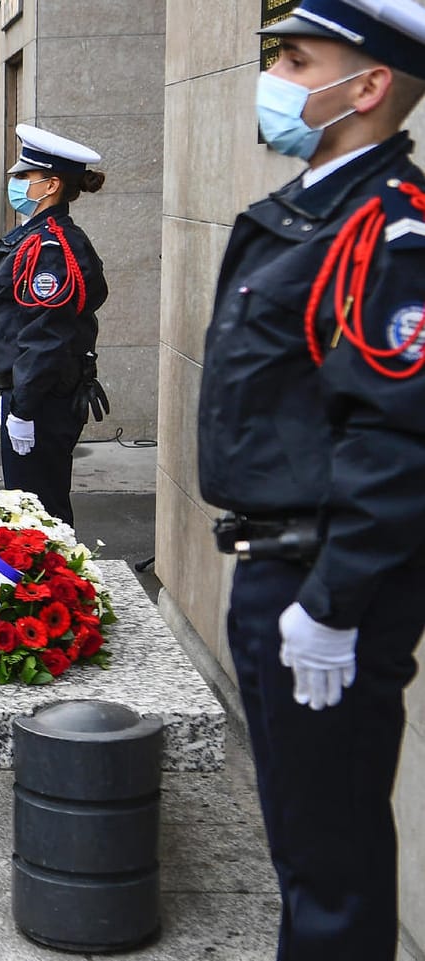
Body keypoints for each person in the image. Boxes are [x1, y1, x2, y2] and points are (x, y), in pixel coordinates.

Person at [198, 2, 425, 956]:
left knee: (330, 862)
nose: (277, 77)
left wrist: (331, 604)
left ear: (367, 86)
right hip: (280, 572)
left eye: (297, 59)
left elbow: (400, 437)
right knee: (304, 840)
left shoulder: (390, 230)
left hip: (327, 580)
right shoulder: (312, 208)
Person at [0, 124, 107, 526]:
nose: (15, 183)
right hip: (29, 393)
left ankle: (58, 590)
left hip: (42, 400)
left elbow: (46, 334)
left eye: (24, 177)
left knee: (41, 518)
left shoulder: (48, 246)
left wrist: (23, 407)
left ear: (51, 185)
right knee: (31, 513)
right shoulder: (33, 236)